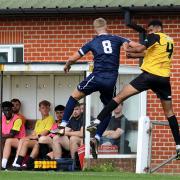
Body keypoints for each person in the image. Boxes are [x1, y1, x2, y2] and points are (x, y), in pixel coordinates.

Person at [88, 20, 180, 159]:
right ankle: (178, 146)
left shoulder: (155, 36)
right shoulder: (169, 41)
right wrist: (130, 53)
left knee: (119, 97)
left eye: (149, 30)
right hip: (164, 80)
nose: (149, 33)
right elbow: (142, 55)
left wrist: (125, 46)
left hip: (149, 76)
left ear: (156, 28)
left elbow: (138, 49)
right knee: (169, 113)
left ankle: (97, 121)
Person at [58, 17, 139, 158]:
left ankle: (62, 125)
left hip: (97, 77)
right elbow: (136, 45)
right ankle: (97, 138)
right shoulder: (117, 38)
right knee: (108, 108)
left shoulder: (93, 42)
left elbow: (73, 57)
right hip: (111, 80)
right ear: (106, 26)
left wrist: (67, 65)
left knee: (74, 96)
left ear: (95, 28)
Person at [12, 100, 54, 168]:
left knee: (24, 141)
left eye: (47, 107)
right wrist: (29, 137)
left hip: (43, 141)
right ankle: (18, 163)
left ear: (49, 109)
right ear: (39, 109)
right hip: (36, 139)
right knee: (24, 141)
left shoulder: (50, 119)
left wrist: (31, 137)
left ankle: (20, 162)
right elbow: (34, 133)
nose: (45, 109)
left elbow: (45, 133)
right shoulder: (39, 121)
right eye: (43, 107)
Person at [23, 105, 65, 169]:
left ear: (65, 113)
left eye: (61, 112)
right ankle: (29, 164)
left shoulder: (66, 123)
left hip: (61, 144)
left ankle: (31, 164)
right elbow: (51, 133)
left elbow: (60, 133)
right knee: (41, 144)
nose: (59, 115)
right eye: (57, 113)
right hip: (52, 143)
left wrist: (46, 135)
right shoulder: (55, 124)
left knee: (42, 139)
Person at [1, 101, 26, 170]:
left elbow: (12, 134)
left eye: (9, 110)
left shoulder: (17, 119)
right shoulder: (2, 118)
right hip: (6, 140)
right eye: (5, 110)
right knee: (4, 140)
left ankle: (3, 164)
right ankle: (3, 164)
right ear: (2, 110)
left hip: (20, 141)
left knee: (7, 140)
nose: (7, 112)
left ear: (12, 109)